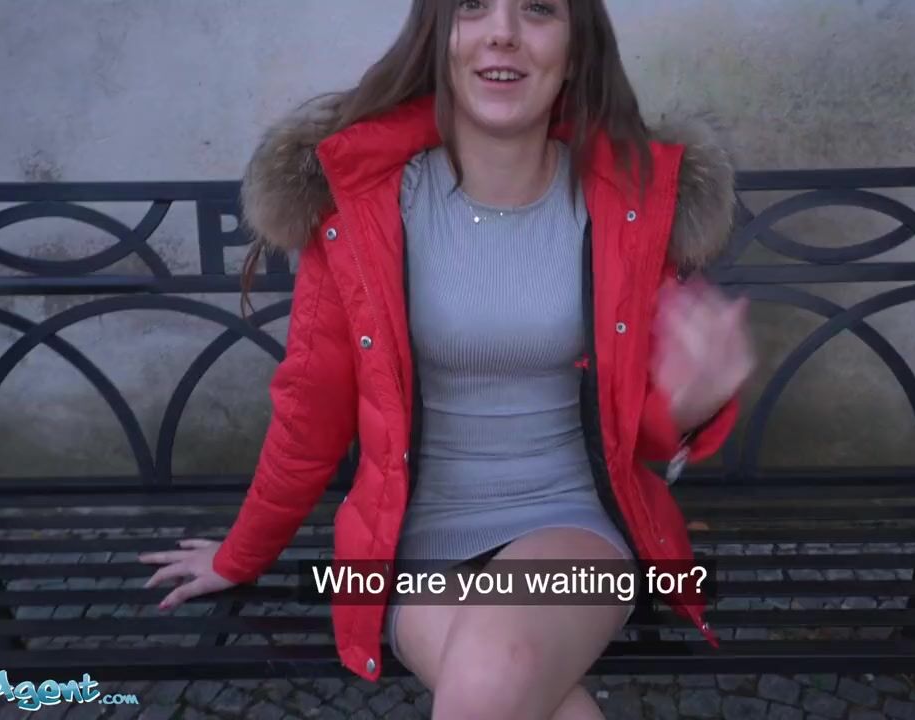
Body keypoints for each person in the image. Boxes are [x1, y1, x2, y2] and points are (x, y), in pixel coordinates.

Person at [139, 0, 755, 717]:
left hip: (571, 524)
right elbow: (309, 413)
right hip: (410, 544)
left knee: (498, 665)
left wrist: (688, 405)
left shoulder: (626, 204)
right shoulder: (362, 208)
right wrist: (238, 555)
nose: (503, 32)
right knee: (520, 693)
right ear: (439, 40)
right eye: (472, 7)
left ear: (576, 52)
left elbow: (635, 438)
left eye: (537, 9)